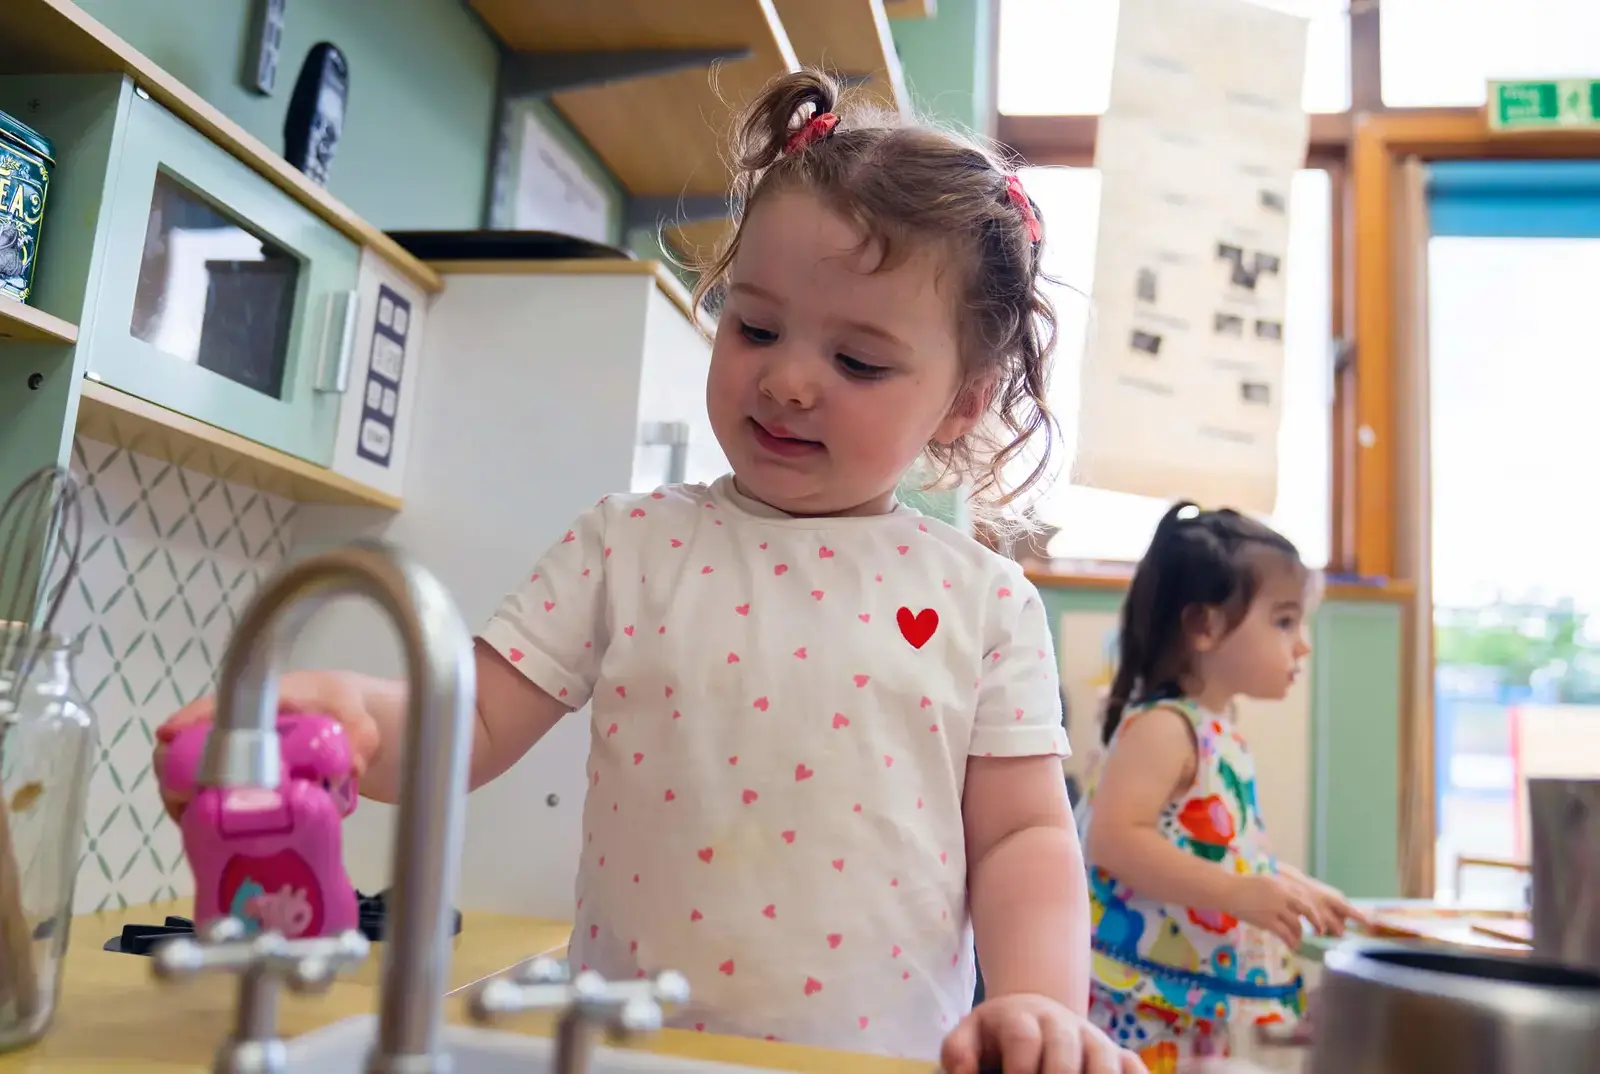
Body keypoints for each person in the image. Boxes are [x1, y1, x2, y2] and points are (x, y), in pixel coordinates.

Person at [153, 69, 1145, 1074]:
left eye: (859, 363)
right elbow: (470, 723)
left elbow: (1023, 840)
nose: (789, 377)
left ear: (963, 402)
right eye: (754, 327)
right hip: (629, 1052)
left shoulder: (984, 604)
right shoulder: (627, 545)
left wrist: (1038, 1004)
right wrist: (345, 720)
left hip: (867, 1063)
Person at [1075, 502, 1364, 1072]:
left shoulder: (1219, 731)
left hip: (1185, 996)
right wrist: (1238, 894)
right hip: (1135, 996)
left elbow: (1212, 850)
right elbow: (1113, 841)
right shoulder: (1164, 727)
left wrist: (1290, 885)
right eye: (1284, 621)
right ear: (1204, 625)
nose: (1302, 644)